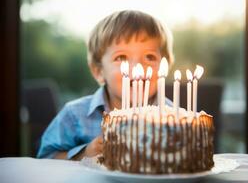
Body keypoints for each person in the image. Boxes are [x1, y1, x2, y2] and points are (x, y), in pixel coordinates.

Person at [37, 10, 174, 160]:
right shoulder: (74, 115)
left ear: (163, 68)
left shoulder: (176, 117)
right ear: (99, 71)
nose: (137, 68)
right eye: (121, 57)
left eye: (149, 57)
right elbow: (46, 158)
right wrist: (84, 154)